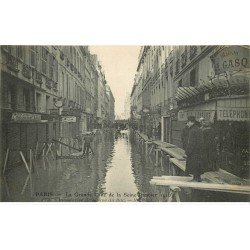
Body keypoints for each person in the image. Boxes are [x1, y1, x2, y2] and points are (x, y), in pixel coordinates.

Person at [185, 116, 205, 182]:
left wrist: (187, 152)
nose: (187, 124)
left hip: (194, 151)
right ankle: (198, 178)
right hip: (200, 151)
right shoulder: (199, 129)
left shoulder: (192, 130)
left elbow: (191, 143)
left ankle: (195, 179)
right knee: (198, 165)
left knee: (193, 165)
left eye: (188, 122)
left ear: (191, 122)